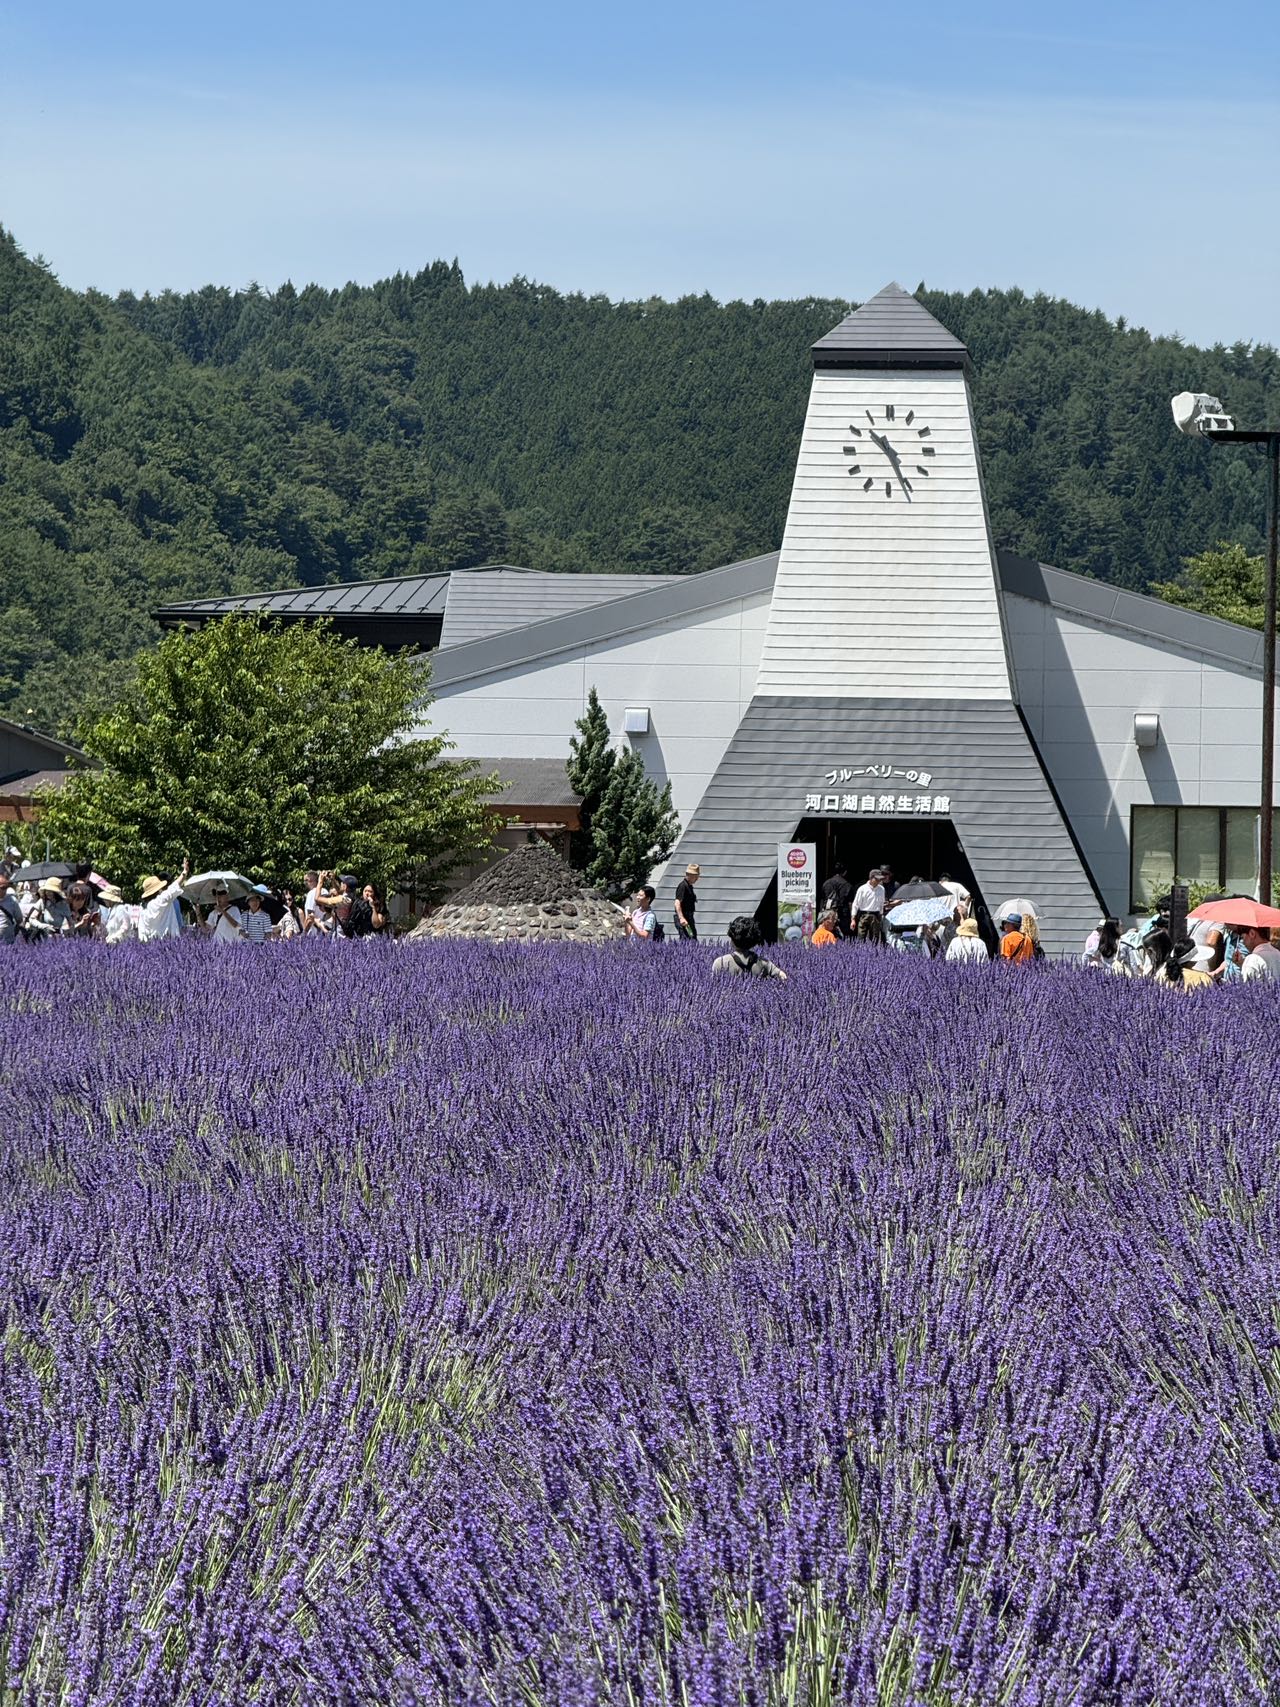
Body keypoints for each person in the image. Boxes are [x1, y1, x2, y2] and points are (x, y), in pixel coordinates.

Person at [711, 914, 788, 980]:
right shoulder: (763, 963)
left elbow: (713, 985)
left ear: (732, 940)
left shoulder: (720, 963)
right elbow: (782, 976)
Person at [139, 861, 189, 942]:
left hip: (152, 946)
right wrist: (185, 872)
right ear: (158, 890)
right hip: (170, 943)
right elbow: (174, 886)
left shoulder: (143, 909)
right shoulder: (160, 901)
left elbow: (141, 934)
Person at [818, 864, 854, 937]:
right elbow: (850, 904)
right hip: (843, 915)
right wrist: (852, 918)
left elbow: (822, 900)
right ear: (845, 872)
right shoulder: (848, 885)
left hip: (828, 915)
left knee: (827, 936)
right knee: (844, 937)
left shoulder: (826, 883)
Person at [674, 863, 700, 940]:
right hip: (684, 917)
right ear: (689, 875)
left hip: (689, 917)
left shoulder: (689, 886)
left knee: (692, 937)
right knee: (686, 939)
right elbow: (677, 902)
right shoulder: (683, 886)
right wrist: (681, 918)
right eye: (695, 876)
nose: (697, 878)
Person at [0, 872, 23, 945]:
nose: (4, 890)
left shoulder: (12, 900)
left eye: (6, 888)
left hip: (8, 940)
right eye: (2, 888)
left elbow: (19, 919)